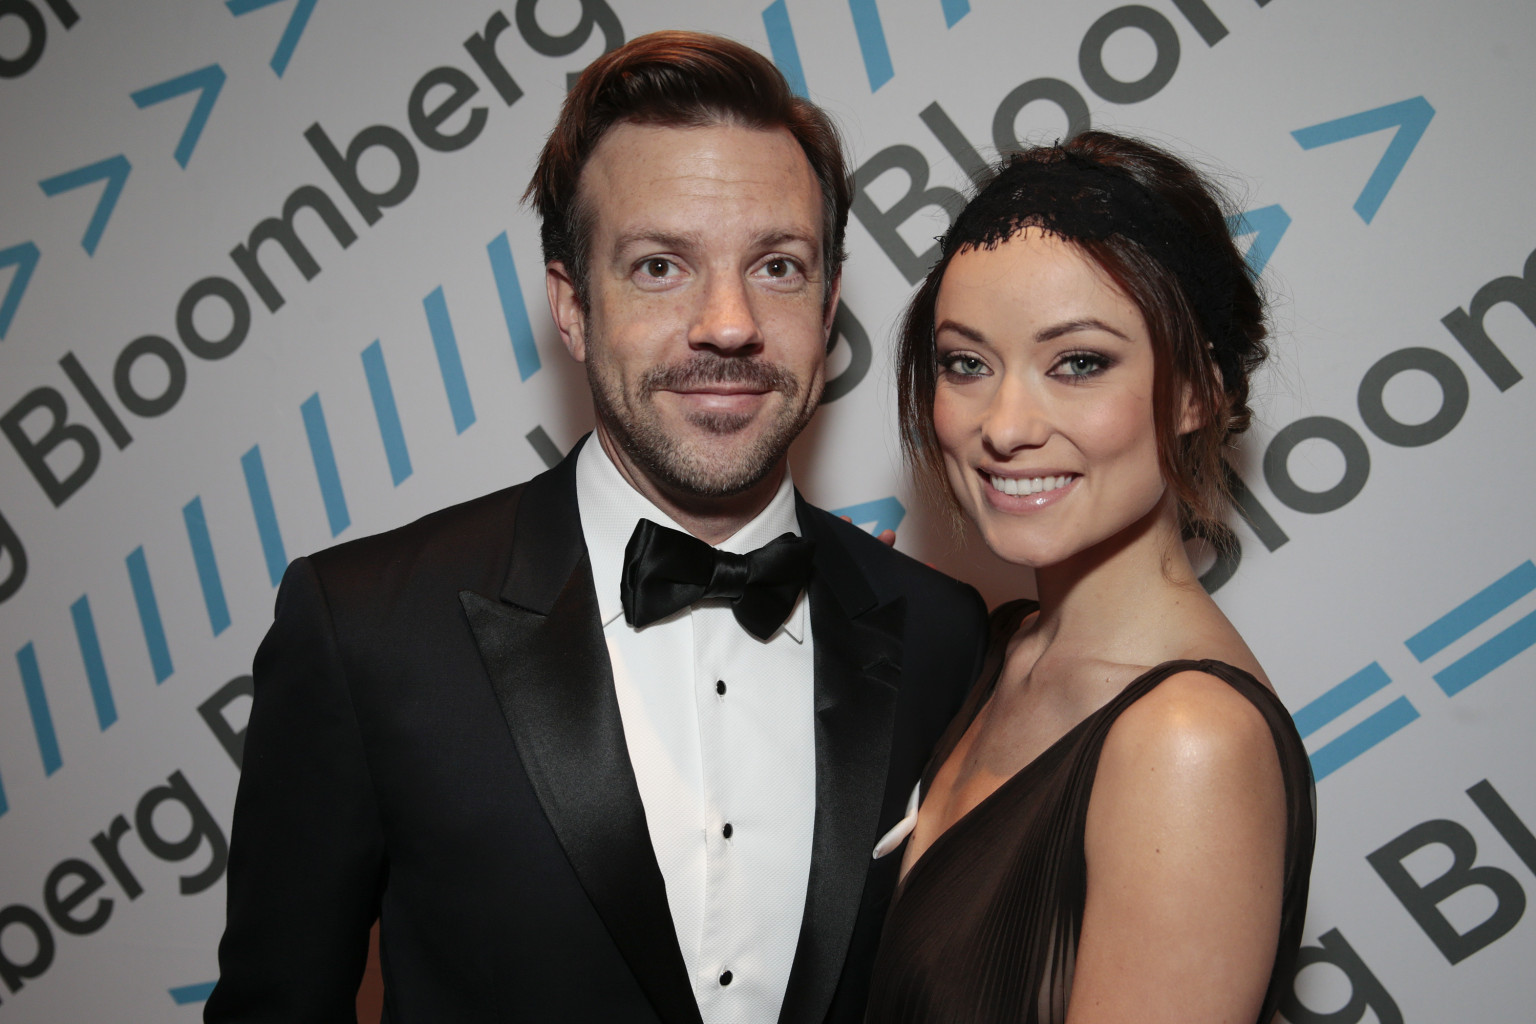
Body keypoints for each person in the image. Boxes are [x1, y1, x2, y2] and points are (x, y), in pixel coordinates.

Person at [204, 31, 988, 1024]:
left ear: (830, 305)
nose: (729, 323)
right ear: (571, 305)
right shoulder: (367, 630)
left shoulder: (944, 633)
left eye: (778, 266)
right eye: (660, 265)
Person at [865, 132, 1315, 1023]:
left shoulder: (1189, 745)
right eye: (967, 364)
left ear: (1198, 392)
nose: (1004, 425)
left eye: (1078, 363)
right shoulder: (1000, 648)